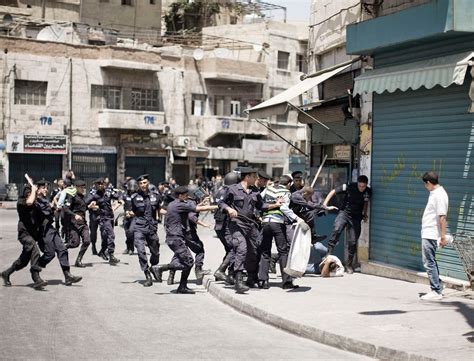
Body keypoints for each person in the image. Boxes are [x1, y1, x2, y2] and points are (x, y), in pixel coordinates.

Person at [218, 167, 275, 293]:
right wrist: (229, 209)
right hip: (236, 224)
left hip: (250, 225)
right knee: (241, 249)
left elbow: (261, 206)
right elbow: (221, 203)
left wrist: (276, 204)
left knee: (253, 251)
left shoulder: (255, 191)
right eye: (254, 176)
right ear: (247, 177)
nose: (256, 179)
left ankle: (251, 278)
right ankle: (238, 282)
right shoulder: (232, 189)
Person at [151, 186, 217, 294]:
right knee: (189, 262)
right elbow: (197, 210)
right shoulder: (180, 204)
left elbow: (192, 208)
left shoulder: (173, 204)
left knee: (185, 260)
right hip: (176, 238)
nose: (187, 197)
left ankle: (182, 286)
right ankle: (161, 268)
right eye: (186, 196)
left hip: (174, 237)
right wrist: (218, 206)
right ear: (180, 196)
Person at [35, 179, 82, 286]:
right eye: (44, 188)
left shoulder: (44, 199)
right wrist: (56, 208)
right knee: (49, 253)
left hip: (51, 229)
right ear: (37, 189)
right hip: (44, 231)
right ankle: (35, 270)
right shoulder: (36, 201)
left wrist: (58, 206)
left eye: (47, 187)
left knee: (62, 249)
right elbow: (47, 212)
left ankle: (67, 275)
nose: (46, 190)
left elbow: (52, 209)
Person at [258, 174, 302, 289]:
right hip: (278, 223)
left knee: (265, 251)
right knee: (283, 252)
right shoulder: (286, 192)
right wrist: (296, 218)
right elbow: (283, 208)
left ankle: (263, 281)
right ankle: (287, 282)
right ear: (289, 184)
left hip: (266, 223)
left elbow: (259, 202)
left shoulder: (268, 189)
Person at [1, 182, 46, 290]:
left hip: (33, 234)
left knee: (23, 261)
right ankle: (36, 278)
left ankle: (6, 273)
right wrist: (34, 191)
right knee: (34, 249)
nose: (31, 194)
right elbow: (29, 201)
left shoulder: (35, 203)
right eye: (29, 192)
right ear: (26, 193)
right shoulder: (21, 202)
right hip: (24, 234)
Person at [323, 175, 371, 274]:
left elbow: (366, 202)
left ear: (366, 185)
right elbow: (333, 191)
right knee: (337, 229)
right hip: (344, 213)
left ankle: (349, 265)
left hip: (356, 217)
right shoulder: (349, 186)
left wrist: (365, 214)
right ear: (357, 183)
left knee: (353, 241)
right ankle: (328, 255)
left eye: (363, 186)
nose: (361, 188)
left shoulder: (368, 191)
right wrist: (325, 204)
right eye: (360, 186)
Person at [419, 171, 449, 301]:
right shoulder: (435, 193)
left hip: (431, 234)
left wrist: (442, 237)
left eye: (425, 185)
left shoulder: (439, 195)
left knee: (428, 262)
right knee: (431, 261)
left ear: (429, 183)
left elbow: (442, 217)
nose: (426, 187)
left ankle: (436, 291)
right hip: (428, 232)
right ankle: (438, 286)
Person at [130, 174, 162, 287]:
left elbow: (159, 209)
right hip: (139, 226)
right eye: (141, 183)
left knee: (156, 252)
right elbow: (130, 210)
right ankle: (147, 274)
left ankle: (153, 267)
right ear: (138, 185)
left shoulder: (156, 196)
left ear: (148, 183)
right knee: (140, 251)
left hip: (152, 227)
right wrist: (128, 213)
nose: (143, 185)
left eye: (145, 183)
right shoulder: (134, 197)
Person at [85, 177, 121, 265]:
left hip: (110, 217)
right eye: (99, 184)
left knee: (105, 235)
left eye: (103, 183)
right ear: (96, 185)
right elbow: (84, 203)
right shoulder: (93, 194)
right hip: (101, 217)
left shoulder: (108, 192)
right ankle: (110, 254)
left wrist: (119, 199)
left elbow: (118, 196)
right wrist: (91, 206)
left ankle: (102, 251)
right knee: (108, 234)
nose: (101, 185)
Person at [213, 172, 239, 284]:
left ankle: (225, 275)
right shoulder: (229, 191)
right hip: (225, 225)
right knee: (234, 248)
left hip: (219, 225)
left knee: (230, 250)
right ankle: (221, 271)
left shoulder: (220, 190)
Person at [63, 179, 91, 268]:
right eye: (81, 187)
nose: (83, 189)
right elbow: (65, 209)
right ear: (76, 187)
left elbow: (82, 209)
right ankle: (63, 247)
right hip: (74, 224)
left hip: (83, 224)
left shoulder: (83, 198)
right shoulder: (72, 197)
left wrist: (90, 207)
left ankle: (78, 260)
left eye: (84, 187)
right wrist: (74, 215)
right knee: (75, 244)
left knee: (87, 241)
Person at [121, 178, 138, 255]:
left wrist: (134, 213)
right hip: (126, 216)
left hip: (134, 216)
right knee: (127, 233)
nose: (132, 189)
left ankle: (132, 248)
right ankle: (128, 248)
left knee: (131, 231)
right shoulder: (125, 194)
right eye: (131, 187)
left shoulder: (138, 195)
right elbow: (120, 199)